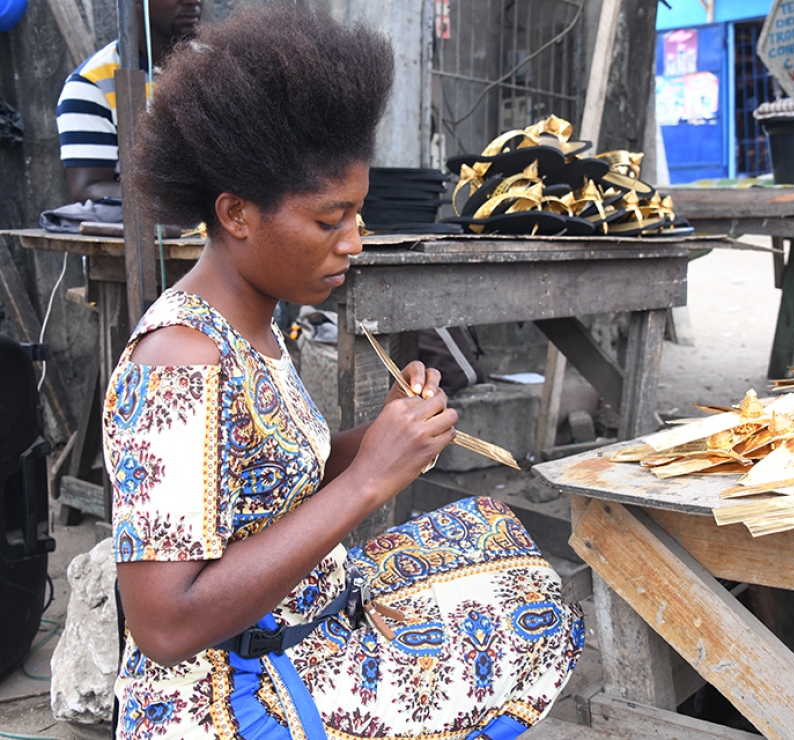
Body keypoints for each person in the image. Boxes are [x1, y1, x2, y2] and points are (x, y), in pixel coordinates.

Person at [102, 5, 584, 740]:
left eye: (356, 215)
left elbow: (273, 486)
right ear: (236, 214)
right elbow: (165, 626)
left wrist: (383, 436)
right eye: (331, 221)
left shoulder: (253, 319)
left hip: (289, 620)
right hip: (230, 697)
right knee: (529, 624)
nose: (353, 242)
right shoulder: (179, 362)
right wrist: (369, 482)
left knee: (502, 544)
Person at [56, 0, 202, 202]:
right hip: (159, 229)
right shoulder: (92, 84)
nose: (193, 1)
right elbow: (88, 188)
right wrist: (191, 203)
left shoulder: (223, 66)